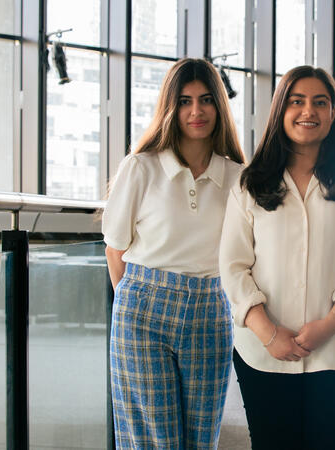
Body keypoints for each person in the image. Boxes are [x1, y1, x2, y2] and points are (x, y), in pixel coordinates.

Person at [219, 65, 335, 450]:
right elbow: (233, 265)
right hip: (263, 351)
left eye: (319, 102)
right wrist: (269, 332)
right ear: (281, 110)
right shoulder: (249, 183)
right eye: (297, 101)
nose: (307, 111)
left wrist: (329, 325)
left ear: (332, 113)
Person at [102, 58, 245, 449]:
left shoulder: (237, 177)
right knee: (153, 440)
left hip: (211, 310)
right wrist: (136, 302)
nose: (195, 111)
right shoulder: (140, 167)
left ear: (219, 105)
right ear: (170, 106)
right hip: (143, 312)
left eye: (204, 100)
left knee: (201, 439)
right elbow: (116, 249)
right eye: (184, 101)